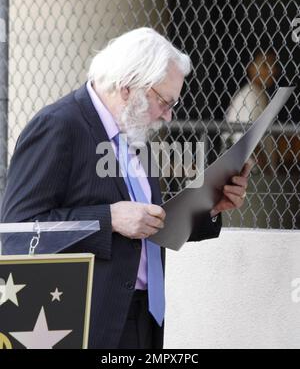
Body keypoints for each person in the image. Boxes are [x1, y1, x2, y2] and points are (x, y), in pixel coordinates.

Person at [0, 28, 250, 349]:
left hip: (145, 317)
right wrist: (109, 219)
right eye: (164, 101)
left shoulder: (134, 133)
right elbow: (17, 231)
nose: (168, 115)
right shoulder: (59, 125)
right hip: (87, 322)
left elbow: (150, 225)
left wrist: (212, 206)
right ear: (128, 86)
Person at [225, 50, 279, 171]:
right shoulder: (250, 95)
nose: (271, 70)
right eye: (265, 65)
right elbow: (248, 139)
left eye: (274, 65)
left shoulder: (258, 92)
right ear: (251, 67)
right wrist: (266, 168)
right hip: (251, 172)